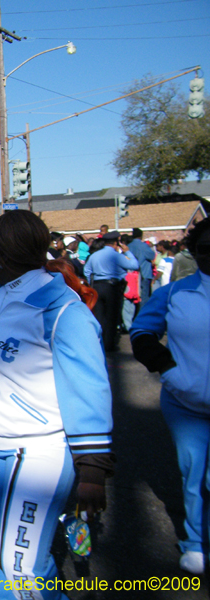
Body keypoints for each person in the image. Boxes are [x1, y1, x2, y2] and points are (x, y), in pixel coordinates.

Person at [0, 210, 113, 599]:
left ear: (6, 254)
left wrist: (93, 470)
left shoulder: (62, 309)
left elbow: (89, 387)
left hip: (36, 450)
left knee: (19, 569)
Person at [130, 218, 210, 575]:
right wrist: (169, 370)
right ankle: (195, 541)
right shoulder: (175, 292)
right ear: (194, 251)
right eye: (205, 248)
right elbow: (143, 331)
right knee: (194, 473)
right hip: (187, 403)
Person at [83, 230, 139, 352]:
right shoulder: (116, 256)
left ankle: (99, 342)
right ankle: (109, 344)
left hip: (97, 286)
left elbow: (87, 270)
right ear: (115, 243)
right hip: (112, 287)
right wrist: (127, 251)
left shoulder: (94, 255)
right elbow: (134, 265)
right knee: (112, 317)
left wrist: (91, 283)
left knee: (100, 317)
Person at [128, 227, 156, 307]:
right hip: (144, 274)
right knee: (144, 297)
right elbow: (152, 256)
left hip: (131, 275)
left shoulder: (129, 246)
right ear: (141, 236)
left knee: (132, 296)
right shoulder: (143, 246)